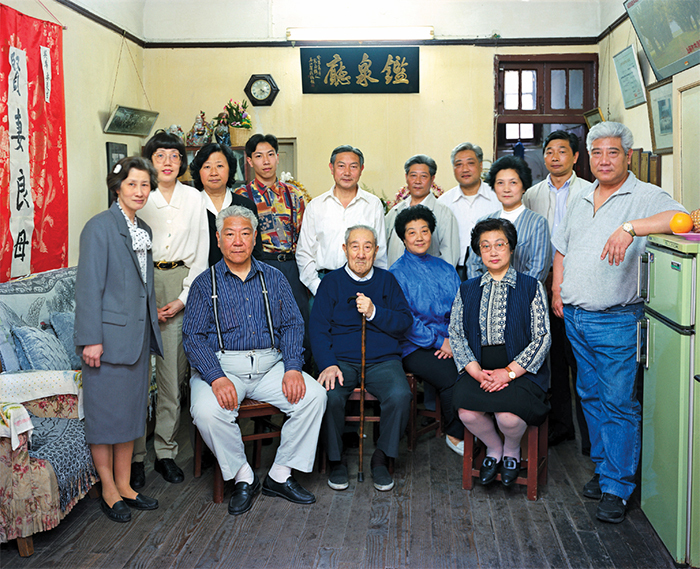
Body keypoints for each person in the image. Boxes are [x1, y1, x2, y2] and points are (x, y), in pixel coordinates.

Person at [552, 121, 686, 523]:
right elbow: (561, 248)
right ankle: (605, 468)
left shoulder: (644, 195)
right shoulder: (579, 196)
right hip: (575, 317)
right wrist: (558, 289)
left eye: (613, 152)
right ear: (588, 157)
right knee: (590, 398)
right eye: (597, 153)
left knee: (618, 404)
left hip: (617, 321)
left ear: (628, 156)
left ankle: (616, 486)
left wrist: (631, 228)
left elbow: (685, 220)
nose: (604, 160)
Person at [183, 205, 326, 516]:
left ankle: (280, 473)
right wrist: (215, 376)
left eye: (245, 233)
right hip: (223, 367)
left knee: (313, 397)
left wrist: (292, 368)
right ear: (218, 239)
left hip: (270, 365)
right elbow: (193, 336)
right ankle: (243, 476)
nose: (238, 241)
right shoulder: (203, 283)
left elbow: (292, 324)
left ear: (255, 238)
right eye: (230, 234)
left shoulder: (274, 278)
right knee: (207, 411)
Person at [74, 156, 164, 523]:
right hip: (106, 341)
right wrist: (90, 339)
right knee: (104, 417)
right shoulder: (99, 227)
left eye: (145, 185)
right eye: (132, 184)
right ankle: (108, 489)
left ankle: (126, 485)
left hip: (137, 337)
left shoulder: (142, 228)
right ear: (117, 187)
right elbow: (88, 288)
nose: (139, 191)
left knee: (129, 416)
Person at [129, 130, 209, 488]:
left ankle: (165, 451)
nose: (167, 162)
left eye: (174, 156)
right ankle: (133, 456)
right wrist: (144, 299)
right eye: (160, 156)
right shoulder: (137, 195)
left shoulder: (194, 198)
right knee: (136, 378)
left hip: (178, 283)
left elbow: (202, 256)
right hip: (141, 284)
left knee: (171, 379)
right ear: (150, 160)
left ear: (182, 163)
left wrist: (182, 299)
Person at [450, 218, 551, 489]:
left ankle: (511, 450)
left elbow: (542, 337)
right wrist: (473, 370)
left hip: (521, 372)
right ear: (478, 252)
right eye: (486, 246)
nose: (493, 252)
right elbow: (456, 334)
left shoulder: (531, 287)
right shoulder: (467, 289)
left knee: (508, 417)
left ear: (511, 248)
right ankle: (494, 449)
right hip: (479, 370)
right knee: (467, 413)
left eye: (499, 244)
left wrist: (507, 373)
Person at [310, 225, 412, 492]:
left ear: (376, 251)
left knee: (400, 395)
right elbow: (318, 328)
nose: (361, 253)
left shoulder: (387, 280)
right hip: (341, 361)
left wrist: (375, 312)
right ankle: (336, 459)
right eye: (355, 246)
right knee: (329, 395)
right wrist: (328, 363)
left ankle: (381, 457)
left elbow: (404, 322)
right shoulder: (331, 282)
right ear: (345, 249)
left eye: (368, 247)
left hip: (382, 361)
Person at [523, 130, 592, 452]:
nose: (554, 157)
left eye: (562, 151)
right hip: (541, 282)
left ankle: (591, 439)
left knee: (579, 360)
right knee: (551, 361)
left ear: (575, 157)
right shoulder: (532, 194)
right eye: (549, 151)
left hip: (577, 284)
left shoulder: (590, 193)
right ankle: (561, 426)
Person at [388, 205, 464, 455]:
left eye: (424, 230)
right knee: (453, 374)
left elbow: (459, 310)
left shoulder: (446, 268)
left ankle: (478, 427)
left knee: (476, 366)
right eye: (412, 232)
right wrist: (439, 342)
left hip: (449, 341)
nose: (419, 237)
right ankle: (456, 434)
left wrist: (453, 341)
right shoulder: (396, 274)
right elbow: (406, 320)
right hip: (413, 346)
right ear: (403, 238)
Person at [235, 133, 310, 362]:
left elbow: (304, 237)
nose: (265, 161)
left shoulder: (294, 196)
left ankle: (302, 375)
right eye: (259, 156)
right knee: (260, 322)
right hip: (257, 266)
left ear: (278, 158)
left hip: (290, 266)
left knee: (297, 322)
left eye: (270, 155)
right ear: (249, 161)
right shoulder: (241, 196)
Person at [296, 145, 387, 296]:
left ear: (361, 169)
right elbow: (304, 252)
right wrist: (317, 286)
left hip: (363, 284)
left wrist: (375, 288)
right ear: (331, 168)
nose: (347, 172)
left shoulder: (373, 205)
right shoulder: (316, 206)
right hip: (323, 281)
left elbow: (380, 252)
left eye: (353, 166)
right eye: (341, 166)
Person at [466, 155, 551, 283]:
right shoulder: (483, 222)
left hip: (525, 298)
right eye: (500, 183)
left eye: (513, 182)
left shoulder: (538, 223)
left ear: (524, 187)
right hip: (487, 297)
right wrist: (485, 292)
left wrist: (512, 296)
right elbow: (473, 265)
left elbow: (538, 270)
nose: (506, 189)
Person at [189, 142, 262, 265]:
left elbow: (256, 252)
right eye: (207, 167)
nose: (214, 173)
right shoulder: (190, 206)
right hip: (199, 279)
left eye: (220, 166)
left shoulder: (245, 205)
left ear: (230, 169)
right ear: (198, 171)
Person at [437, 142, 500, 279]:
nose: (464, 169)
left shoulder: (497, 197)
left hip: (491, 270)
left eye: (470, 163)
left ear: (481, 165)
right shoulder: (443, 203)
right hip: (454, 272)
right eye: (458, 164)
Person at [385, 154, 459, 267]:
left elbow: (449, 259)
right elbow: (382, 251)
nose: (417, 181)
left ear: (432, 179)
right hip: (394, 281)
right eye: (413, 175)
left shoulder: (444, 214)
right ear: (406, 177)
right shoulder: (395, 212)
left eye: (423, 176)